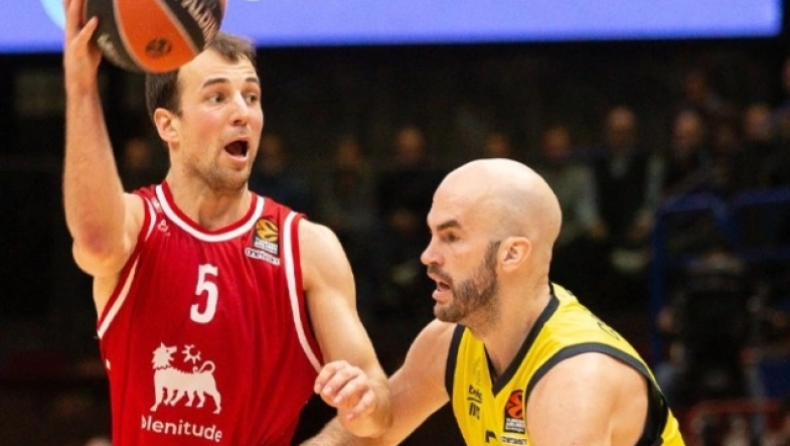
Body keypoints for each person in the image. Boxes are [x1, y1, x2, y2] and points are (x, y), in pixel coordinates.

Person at [61, 1, 391, 445]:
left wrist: (363, 400)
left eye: (251, 97)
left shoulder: (306, 248)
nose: (243, 113)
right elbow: (95, 242)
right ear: (168, 126)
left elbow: (376, 405)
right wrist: (82, 86)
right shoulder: (138, 223)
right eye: (217, 97)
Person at [302, 158, 685, 446]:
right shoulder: (449, 341)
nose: (428, 255)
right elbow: (374, 435)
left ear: (512, 254)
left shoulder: (574, 382)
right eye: (431, 234)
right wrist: (364, 410)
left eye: (451, 237)